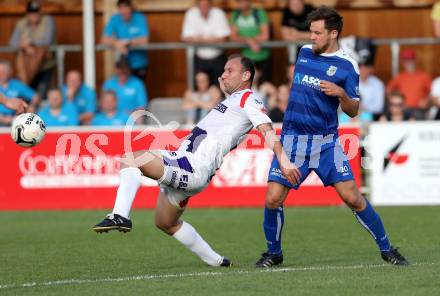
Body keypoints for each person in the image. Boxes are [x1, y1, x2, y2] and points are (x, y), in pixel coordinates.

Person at [92, 54, 301, 267]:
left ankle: (120, 215)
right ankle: (217, 261)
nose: (223, 74)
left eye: (230, 70)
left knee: (131, 159)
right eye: (223, 71)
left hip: (191, 165)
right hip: (191, 167)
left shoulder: (250, 99)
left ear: (246, 75)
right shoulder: (233, 101)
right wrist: (226, 88)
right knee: (165, 222)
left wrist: (283, 160)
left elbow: (266, 129)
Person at [255, 6, 409, 268]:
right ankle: (273, 253)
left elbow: (353, 109)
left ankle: (387, 248)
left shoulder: (348, 66)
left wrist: (341, 93)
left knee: (353, 197)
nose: (311, 37)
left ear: (333, 33)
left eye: (317, 33)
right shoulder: (304, 52)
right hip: (293, 141)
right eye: (310, 32)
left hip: (327, 143)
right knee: (273, 198)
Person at [9, 0, 56, 100]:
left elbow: (47, 40)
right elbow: (12, 43)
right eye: (31, 13)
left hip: (45, 66)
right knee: (27, 96)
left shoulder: (48, 20)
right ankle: (28, 115)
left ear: (40, 13)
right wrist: (24, 46)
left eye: (36, 13)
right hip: (27, 69)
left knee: (42, 96)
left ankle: (41, 115)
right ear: (27, 14)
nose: (34, 16)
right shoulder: (21, 23)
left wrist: (29, 42)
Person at [181, 0, 231, 86]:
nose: (203, 8)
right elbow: (186, 38)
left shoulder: (219, 13)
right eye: (201, 5)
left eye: (206, 5)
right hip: (199, 59)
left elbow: (224, 38)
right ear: (197, 5)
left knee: (220, 88)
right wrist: (213, 39)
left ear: (210, 4)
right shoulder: (191, 14)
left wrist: (198, 39)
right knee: (199, 91)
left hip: (218, 59)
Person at [102, 0, 150, 81]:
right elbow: (104, 39)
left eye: (126, 8)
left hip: (139, 63)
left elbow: (145, 40)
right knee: (122, 87)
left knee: (137, 86)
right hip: (122, 63)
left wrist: (127, 42)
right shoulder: (115, 19)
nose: (124, 11)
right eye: (121, 8)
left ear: (130, 8)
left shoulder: (139, 18)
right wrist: (117, 43)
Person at [230, 0, 272, 84]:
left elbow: (265, 36)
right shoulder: (236, 14)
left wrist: (248, 39)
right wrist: (249, 40)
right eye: (238, 2)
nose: (241, 3)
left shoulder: (258, 12)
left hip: (263, 57)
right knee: (248, 88)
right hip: (246, 59)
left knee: (264, 87)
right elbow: (233, 37)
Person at [386, 48, 431, 118]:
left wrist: (426, 100)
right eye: (406, 60)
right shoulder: (399, 77)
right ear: (403, 62)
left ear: (415, 60)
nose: (408, 62)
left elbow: (432, 93)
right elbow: (389, 90)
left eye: (410, 60)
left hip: (418, 110)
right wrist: (395, 103)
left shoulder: (424, 76)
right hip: (403, 109)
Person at [0, 60, 39, 126]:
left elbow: (35, 97)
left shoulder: (17, 85)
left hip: (18, 119)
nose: (1, 74)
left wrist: (32, 106)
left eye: (3, 71)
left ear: (9, 72)